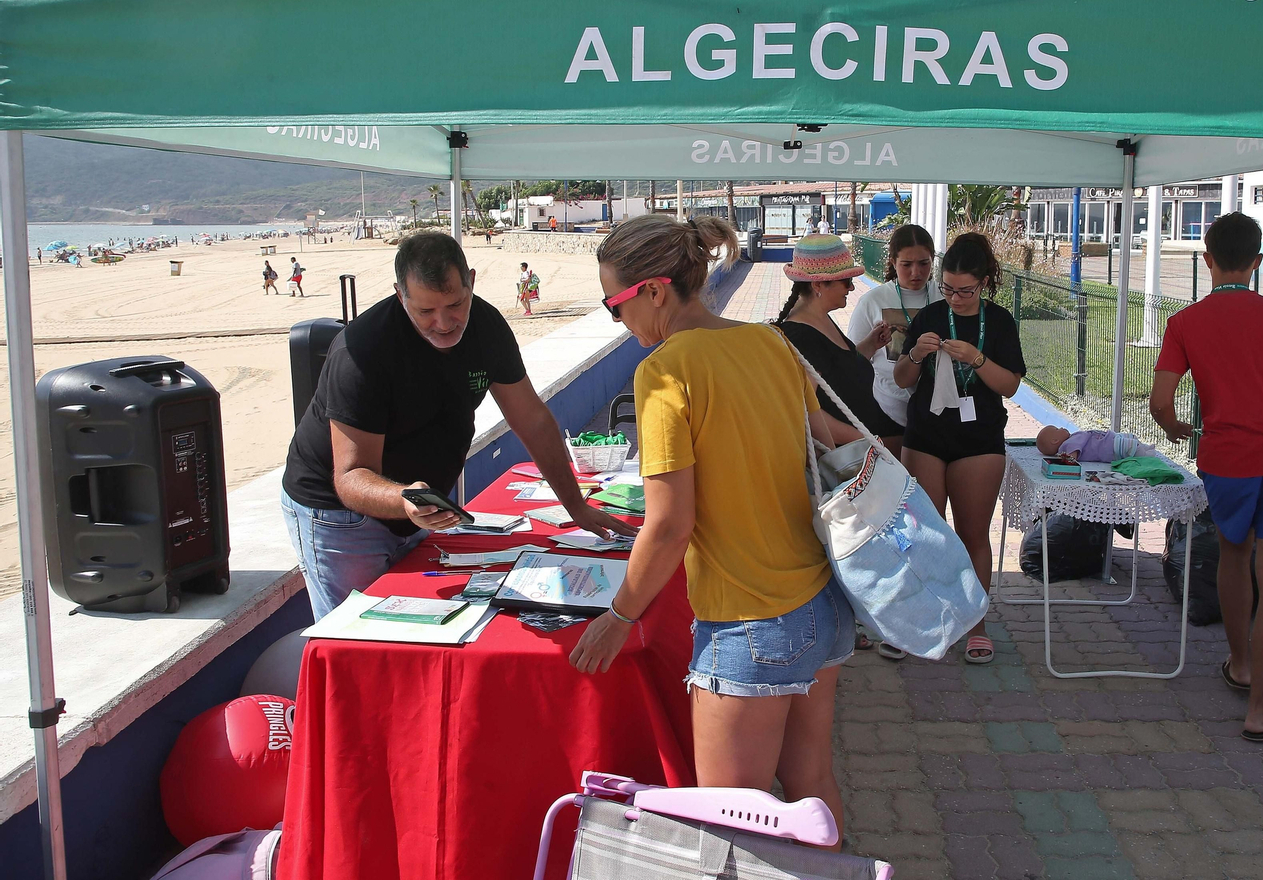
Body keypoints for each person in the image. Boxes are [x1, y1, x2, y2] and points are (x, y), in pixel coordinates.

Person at [569, 214, 852, 846]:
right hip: (821, 601)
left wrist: (621, 616)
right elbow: (826, 442)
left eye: (615, 305)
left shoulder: (665, 371)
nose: (620, 323)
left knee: (730, 829)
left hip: (751, 622)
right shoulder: (772, 342)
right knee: (812, 792)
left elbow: (669, 525)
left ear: (654, 291)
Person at [281, 231, 634, 619]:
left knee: (418, 627)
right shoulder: (362, 351)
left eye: (455, 304)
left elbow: (531, 419)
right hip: (341, 515)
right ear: (401, 296)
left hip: (419, 503)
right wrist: (403, 501)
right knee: (356, 634)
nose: (444, 323)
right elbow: (350, 478)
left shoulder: (486, 325)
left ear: (472, 281)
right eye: (425, 312)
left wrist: (575, 506)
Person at [1149, 211, 1263, 743]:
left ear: (1207, 260)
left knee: (1234, 553)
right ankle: (1260, 712)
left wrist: (1180, 427)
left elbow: (1161, 401)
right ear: (1257, 262)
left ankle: (1240, 662)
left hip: (1227, 460)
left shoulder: (1185, 323)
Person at [891, 232, 1026, 665]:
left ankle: (975, 624)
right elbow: (901, 380)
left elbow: (1010, 386)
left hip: (979, 438)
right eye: (947, 288)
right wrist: (914, 355)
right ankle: (917, 622)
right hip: (927, 435)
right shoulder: (930, 314)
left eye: (965, 291)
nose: (955, 298)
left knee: (972, 534)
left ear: (984, 282)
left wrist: (978, 359)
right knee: (923, 536)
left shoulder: (999, 321)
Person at [777, 234, 903, 453]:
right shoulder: (801, 336)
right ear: (818, 284)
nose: (851, 288)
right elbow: (805, 411)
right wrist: (868, 442)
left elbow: (840, 369)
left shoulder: (819, 319)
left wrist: (870, 344)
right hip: (857, 452)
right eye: (846, 281)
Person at [846, 224, 936, 430]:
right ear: (893, 262)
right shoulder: (872, 301)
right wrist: (871, 343)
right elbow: (851, 361)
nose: (916, 272)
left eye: (924, 263)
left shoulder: (945, 297)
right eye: (906, 264)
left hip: (937, 413)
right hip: (887, 411)